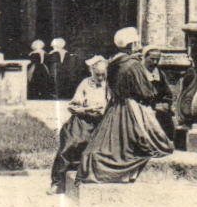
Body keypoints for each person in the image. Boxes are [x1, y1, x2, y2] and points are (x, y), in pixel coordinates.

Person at [79, 27, 174, 184]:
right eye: (136, 42)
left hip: (115, 105)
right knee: (146, 140)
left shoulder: (112, 63)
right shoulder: (133, 64)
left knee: (109, 139)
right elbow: (145, 91)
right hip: (131, 107)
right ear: (131, 44)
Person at [48, 55, 108, 195]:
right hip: (82, 121)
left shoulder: (109, 85)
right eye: (97, 75)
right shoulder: (86, 84)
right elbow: (73, 106)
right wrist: (87, 109)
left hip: (101, 122)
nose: (100, 78)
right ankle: (57, 183)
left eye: (103, 75)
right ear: (91, 72)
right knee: (70, 144)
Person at [142, 45, 176, 140]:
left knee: (166, 118)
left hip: (160, 108)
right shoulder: (140, 73)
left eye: (157, 59)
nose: (155, 62)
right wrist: (153, 105)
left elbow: (167, 92)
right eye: (152, 59)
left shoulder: (160, 74)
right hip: (145, 107)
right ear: (145, 57)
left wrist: (166, 103)